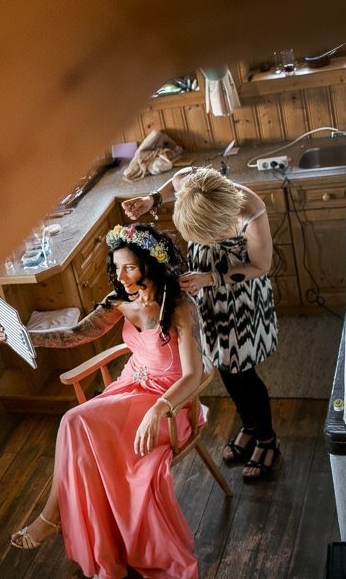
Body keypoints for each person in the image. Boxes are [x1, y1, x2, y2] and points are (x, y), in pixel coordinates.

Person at [0, 223, 205, 579]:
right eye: (117, 267)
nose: (121, 277)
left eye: (130, 268)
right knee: (78, 426)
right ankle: (65, 524)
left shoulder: (180, 307)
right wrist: (26, 336)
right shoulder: (120, 300)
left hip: (169, 404)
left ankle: (51, 519)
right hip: (130, 387)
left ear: (151, 265)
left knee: (76, 422)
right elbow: (78, 333)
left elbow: (193, 375)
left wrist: (158, 409)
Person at [121, 167, 280, 481]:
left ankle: (267, 439)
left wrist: (211, 278)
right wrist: (152, 199)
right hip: (205, 296)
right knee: (223, 366)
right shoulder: (191, 184)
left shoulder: (251, 210)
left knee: (243, 372)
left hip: (240, 298)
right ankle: (249, 426)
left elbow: (261, 266)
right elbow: (177, 177)